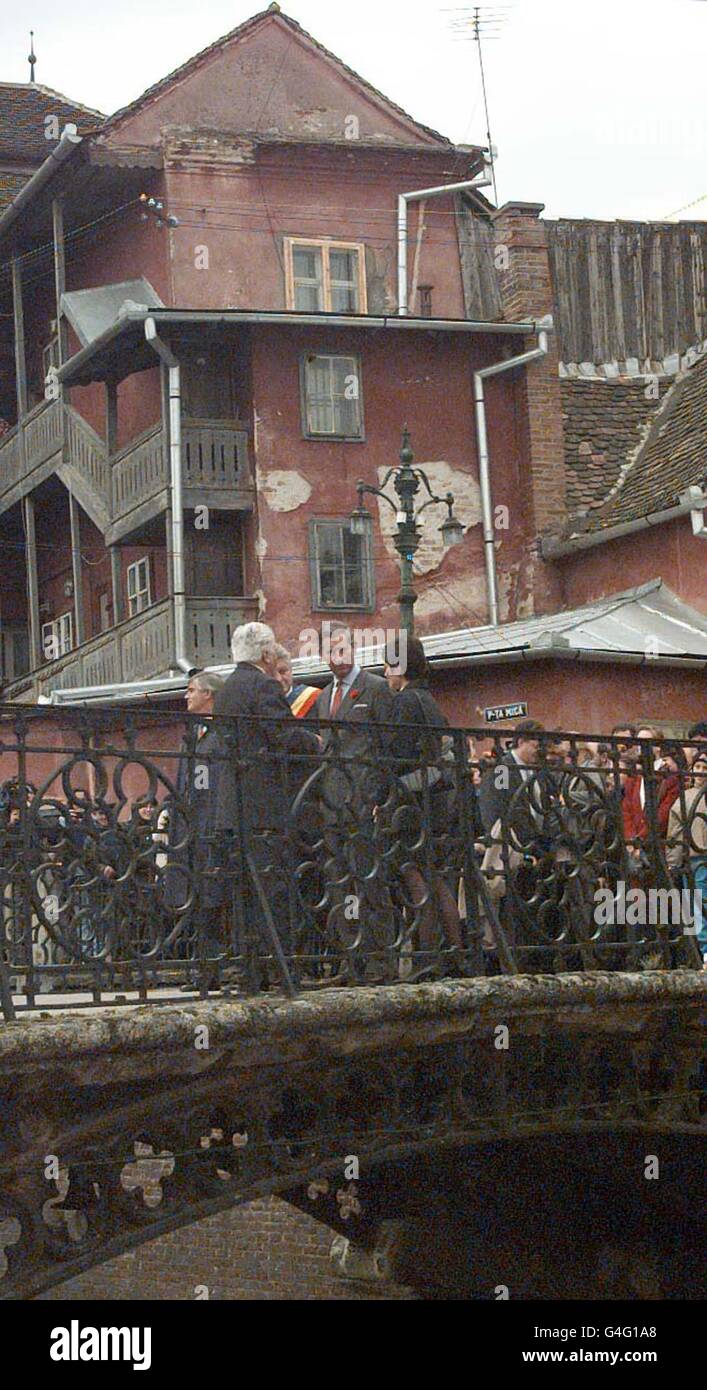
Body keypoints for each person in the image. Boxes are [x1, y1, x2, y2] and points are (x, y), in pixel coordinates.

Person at [213, 622, 318, 990]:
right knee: (275, 890)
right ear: (266, 654)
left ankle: (250, 969)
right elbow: (284, 735)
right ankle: (284, 970)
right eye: (273, 651)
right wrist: (317, 744)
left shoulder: (226, 689)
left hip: (233, 805)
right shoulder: (262, 685)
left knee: (244, 892)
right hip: (264, 806)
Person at [383, 636, 463, 969]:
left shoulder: (405, 702)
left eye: (388, 665)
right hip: (436, 801)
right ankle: (455, 954)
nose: (386, 673)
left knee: (415, 878)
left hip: (412, 801)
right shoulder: (429, 700)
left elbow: (396, 752)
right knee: (434, 877)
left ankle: (426, 959)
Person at [163, 671, 226, 987]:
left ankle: (220, 967)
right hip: (190, 829)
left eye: (192, 690)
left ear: (209, 695)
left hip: (210, 827)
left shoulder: (222, 734)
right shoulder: (192, 734)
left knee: (215, 899)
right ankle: (205, 969)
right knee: (197, 900)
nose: (187, 696)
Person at [665, 751, 707, 968]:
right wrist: (673, 862)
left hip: (698, 858)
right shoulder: (687, 797)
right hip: (695, 859)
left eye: (704, 768)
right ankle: (706, 952)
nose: (700, 772)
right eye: (698, 767)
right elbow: (676, 832)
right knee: (698, 906)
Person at [273, 645, 321, 719]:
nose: (278, 679)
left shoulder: (316, 699)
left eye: (282, 671)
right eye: (272, 674)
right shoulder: (257, 704)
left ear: (291, 670)